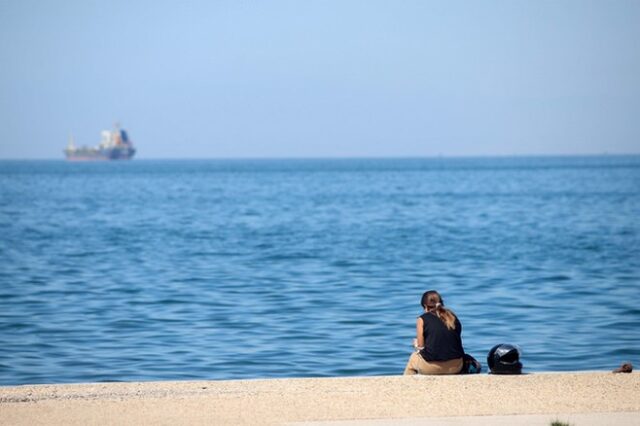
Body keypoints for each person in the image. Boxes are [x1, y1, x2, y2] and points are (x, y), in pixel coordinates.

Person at [403, 290, 465, 375]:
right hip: (456, 366)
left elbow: (421, 347)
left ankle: (406, 384)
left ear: (425, 306)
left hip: (432, 368)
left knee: (413, 358)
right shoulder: (452, 316)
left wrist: (416, 345)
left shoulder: (421, 319)